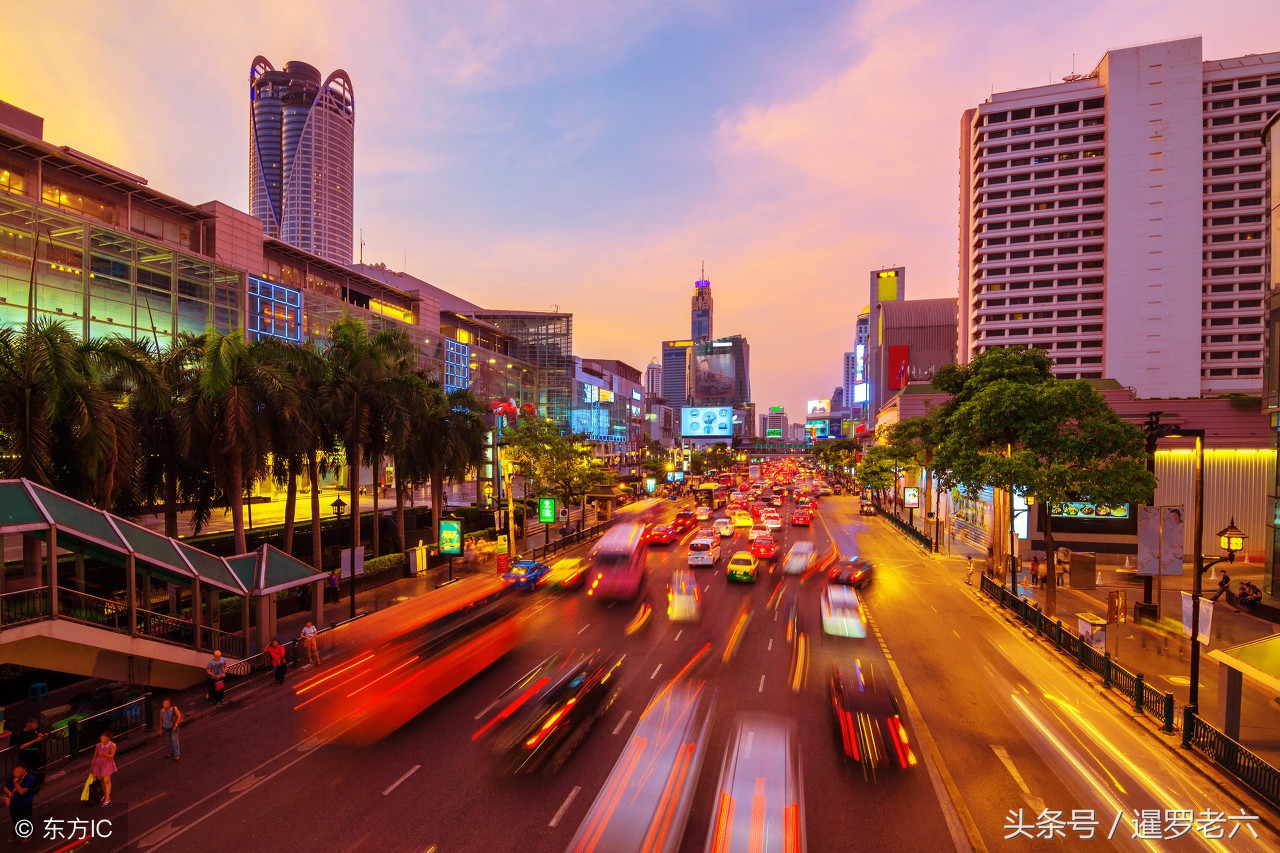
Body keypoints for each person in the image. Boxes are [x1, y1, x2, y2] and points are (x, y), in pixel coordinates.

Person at [4, 763, 35, 842]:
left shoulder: (30, 778)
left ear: (24, 770)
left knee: (25, 818)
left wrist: (16, 783)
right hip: (14, 803)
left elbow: (22, 792)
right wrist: (9, 792)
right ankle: (17, 834)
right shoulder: (13, 777)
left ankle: (27, 834)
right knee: (15, 819)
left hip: (24, 803)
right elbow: (5, 787)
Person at [14, 719, 45, 788]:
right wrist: (35, 741)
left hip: (34, 754)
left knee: (36, 769)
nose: (35, 726)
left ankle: (35, 783)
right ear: (29, 723)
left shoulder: (34, 731)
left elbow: (39, 733)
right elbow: (22, 746)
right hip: (26, 755)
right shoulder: (20, 734)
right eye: (34, 724)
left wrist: (40, 735)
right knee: (28, 771)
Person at [90, 731, 117, 807]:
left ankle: (108, 798)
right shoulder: (98, 745)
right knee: (101, 780)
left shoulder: (113, 745)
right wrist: (92, 767)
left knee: (106, 781)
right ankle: (105, 794)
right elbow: (95, 756)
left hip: (107, 764)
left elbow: (112, 756)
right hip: (99, 764)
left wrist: (104, 754)